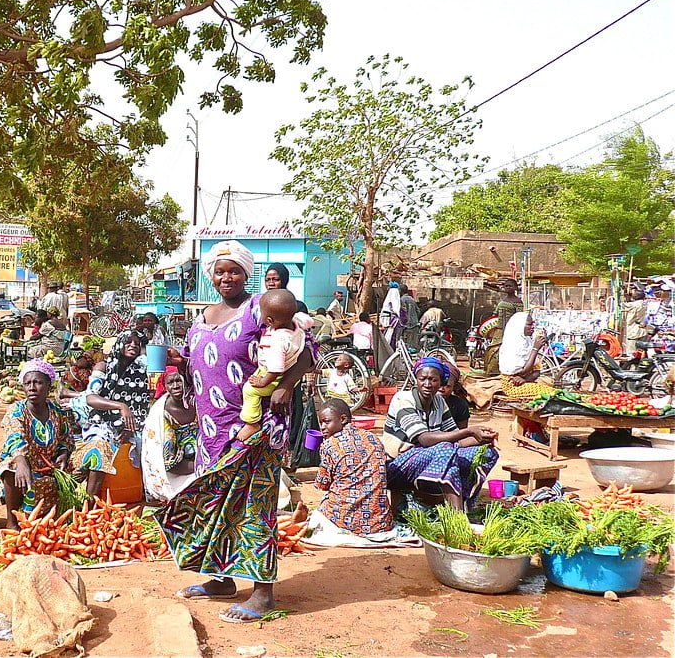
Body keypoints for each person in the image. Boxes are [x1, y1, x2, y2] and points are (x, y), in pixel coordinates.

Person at [156, 240, 313, 624]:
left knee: (254, 505)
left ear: (247, 273)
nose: (227, 277)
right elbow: (204, 360)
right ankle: (221, 578)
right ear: (211, 275)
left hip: (255, 425)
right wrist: (180, 359)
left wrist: (286, 385)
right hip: (211, 427)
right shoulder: (203, 315)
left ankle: (262, 594)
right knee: (215, 502)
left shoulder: (263, 309)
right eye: (220, 271)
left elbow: (305, 352)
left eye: (235, 271)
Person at [384, 358, 498, 511]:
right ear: (416, 379)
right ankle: (456, 516)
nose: (427, 384)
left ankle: (460, 506)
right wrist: (470, 431)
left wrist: (481, 438)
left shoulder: (438, 401)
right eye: (422, 379)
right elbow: (424, 439)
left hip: (426, 457)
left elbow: (455, 438)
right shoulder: (403, 399)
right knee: (444, 448)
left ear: (440, 382)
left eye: (433, 380)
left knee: (487, 452)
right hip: (396, 467)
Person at [0, 360, 75, 530]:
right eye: (27, 383)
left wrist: (63, 453)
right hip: (26, 465)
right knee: (10, 466)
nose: (32, 387)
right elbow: (14, 438)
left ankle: (79, 512)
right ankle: (12, 521)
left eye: (38, 382)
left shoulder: (57, 411)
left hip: (51, 468)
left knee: (95, 452)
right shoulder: (17, 410)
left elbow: (66, 437)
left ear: (48, 386)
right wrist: (23, 463)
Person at [73, 330, 152, 499]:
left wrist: (131, 428)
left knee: (150, 443)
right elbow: (91, 398)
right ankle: (90, 501)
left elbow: (142, 407)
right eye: (128, 342)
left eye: (137, 344)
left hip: (130, 425)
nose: (133, 346)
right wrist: (120, 406)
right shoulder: (103, 366)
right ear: (119, 343)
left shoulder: (140, 372)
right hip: (101, 421)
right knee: (100, 448)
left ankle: (146, 494)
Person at [314, 398, 393, 536]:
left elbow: (322, 484)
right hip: (380, 523)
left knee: (323, 504)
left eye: (326, 422)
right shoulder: (373, 438)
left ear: (343, 419)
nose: (322, 427)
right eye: (320, 422)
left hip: (343, 520)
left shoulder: (329, 445)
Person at [241, 289, 313, 436]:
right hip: (289, 366)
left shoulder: (278, 342)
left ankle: (251, 422)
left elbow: (276, 369)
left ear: (269, 321)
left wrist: (262, 382)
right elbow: (309, 320)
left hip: (275, 376)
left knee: (249, 391)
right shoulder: (296, 321)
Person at [141, 368, 198, 502]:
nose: (176, 386)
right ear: (165, 386)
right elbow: (170, 463)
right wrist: (201, 466)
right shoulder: (163, 414)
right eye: (170, 382)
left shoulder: (195, 402)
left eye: (179, 380)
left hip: (197, 460)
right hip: (177, 471)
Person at [498, 312, 555, 400]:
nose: (532, 327)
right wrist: (535, 349)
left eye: (533, 324)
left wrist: (526, 379)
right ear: (519, 326)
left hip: (525, 381)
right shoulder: (511, 345)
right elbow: (522, 372)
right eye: (529, 324)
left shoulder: (527, 342)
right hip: (513, 385)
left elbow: (536, 371)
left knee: (551, 388)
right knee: (550, 394)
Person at [485, 278, 523, 374]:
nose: (507, 287)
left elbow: (519, 317)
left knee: (507, 351)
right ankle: (492, 371)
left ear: (515, 287)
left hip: (510, 331)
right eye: (506, 286)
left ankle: (504, 371)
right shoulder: (502, 300)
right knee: (493, 350)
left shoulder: (518, 302)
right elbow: (495, 314)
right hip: (499, 330)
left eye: (510, 286)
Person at [440, 362, 471, 429]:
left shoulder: (460, 405)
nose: (441, 389)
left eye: (447, 386)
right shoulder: (423, 403)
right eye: (439, 384)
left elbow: (462, 433)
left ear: (454, 387)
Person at [623, 289, 648, 356]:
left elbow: (622, 306)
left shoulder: (634, 305)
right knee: (642, 352)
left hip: (634, 331)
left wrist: (622, 295)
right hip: (643, 331)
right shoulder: (645, 303)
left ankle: (633, 365)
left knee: (632, 353)